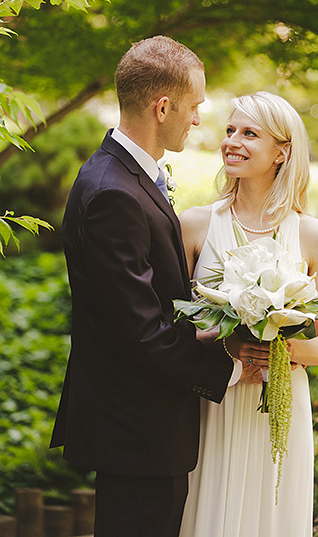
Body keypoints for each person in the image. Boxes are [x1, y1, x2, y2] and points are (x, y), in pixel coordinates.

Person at [51, 35, 253, 537]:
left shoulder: (125, 177)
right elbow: (140, 331)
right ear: (163, 106)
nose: (198, 119)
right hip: (137, 431)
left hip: (143, 428)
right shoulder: (113, 194)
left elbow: (150, 303)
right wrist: (229, 367)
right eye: (195, 106)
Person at [178, 91, 318, 537]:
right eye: (230, 130)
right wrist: (228, 346)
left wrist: (283, 351)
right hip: (213, 398)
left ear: (282, 152)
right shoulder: (194, 225)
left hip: (280, 403)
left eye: (249, 133)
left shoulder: (313, 236)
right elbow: (168, 327)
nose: (232, 141)